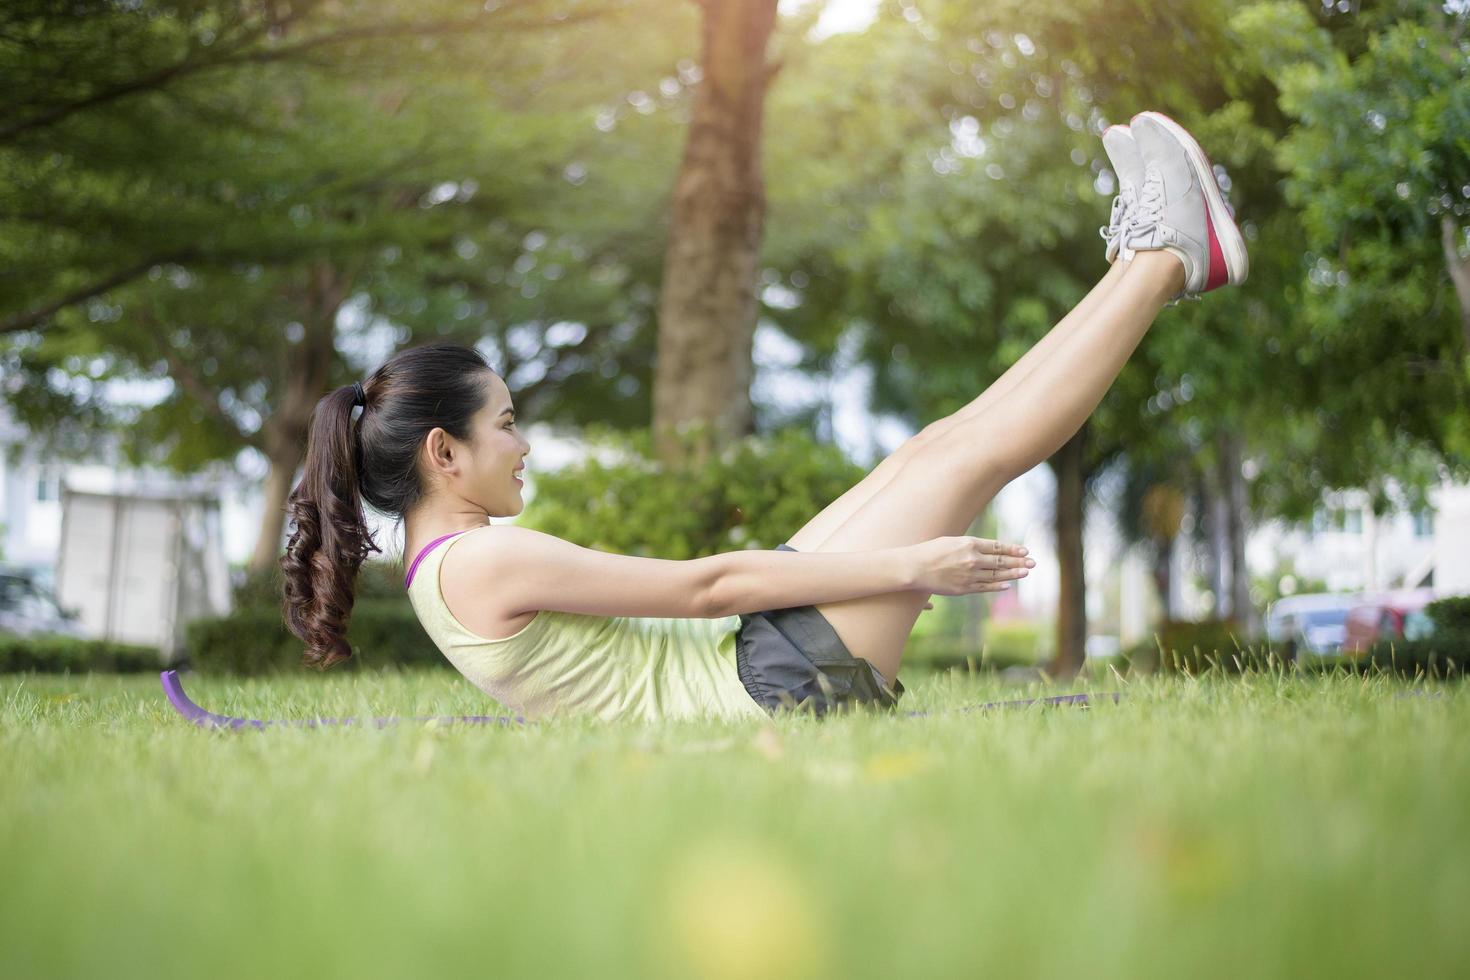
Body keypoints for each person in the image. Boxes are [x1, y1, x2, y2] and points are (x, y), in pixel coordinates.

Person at [280, 110, 1247, 723]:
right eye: (506, 423)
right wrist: (916, 568)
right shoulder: (482, 560)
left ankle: (1143, 254)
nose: (523, 442)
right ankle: (1167, 257)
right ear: (444, 452)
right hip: (769, 690)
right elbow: (707, 586)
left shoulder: (446, 567)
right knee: (967, 461)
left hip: (755, 659)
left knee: (938, 448)